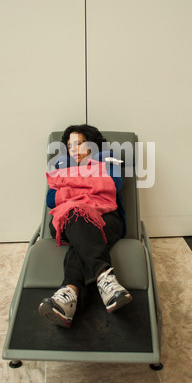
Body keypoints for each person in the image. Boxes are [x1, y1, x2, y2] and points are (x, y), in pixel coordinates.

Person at [38, 124, 132, 328]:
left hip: (106, 217)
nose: (73, 149)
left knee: (82, 237)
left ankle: (69, 294)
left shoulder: (108, 162)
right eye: (70, 145)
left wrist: (70, 188)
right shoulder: (62, 167)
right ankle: (104, 279)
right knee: (77, 212)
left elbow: (113, 185)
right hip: (66, 218)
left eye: (79, 144)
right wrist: (86, 191)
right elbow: (51, 199)